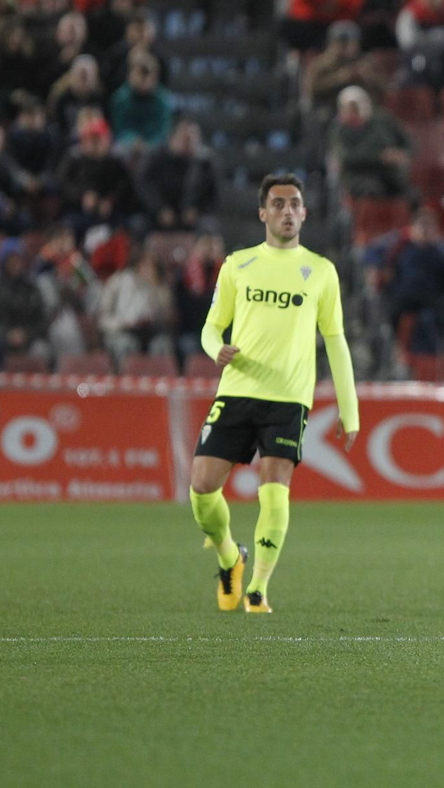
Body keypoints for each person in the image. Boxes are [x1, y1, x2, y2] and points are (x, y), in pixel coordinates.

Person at [188, 173, 360, 615]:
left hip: (289, 396)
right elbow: (211, 326)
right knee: (202, 486)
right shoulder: (238, 265)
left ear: (305, 213)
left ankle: (258, 588)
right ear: (263, 213)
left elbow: (335, 340)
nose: (288, 211)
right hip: (238, 389)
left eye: (295, 203)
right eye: (279, 204)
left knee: (274, 486)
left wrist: (349, 409)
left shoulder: (321, 271)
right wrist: (215, 349)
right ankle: (230, 556)